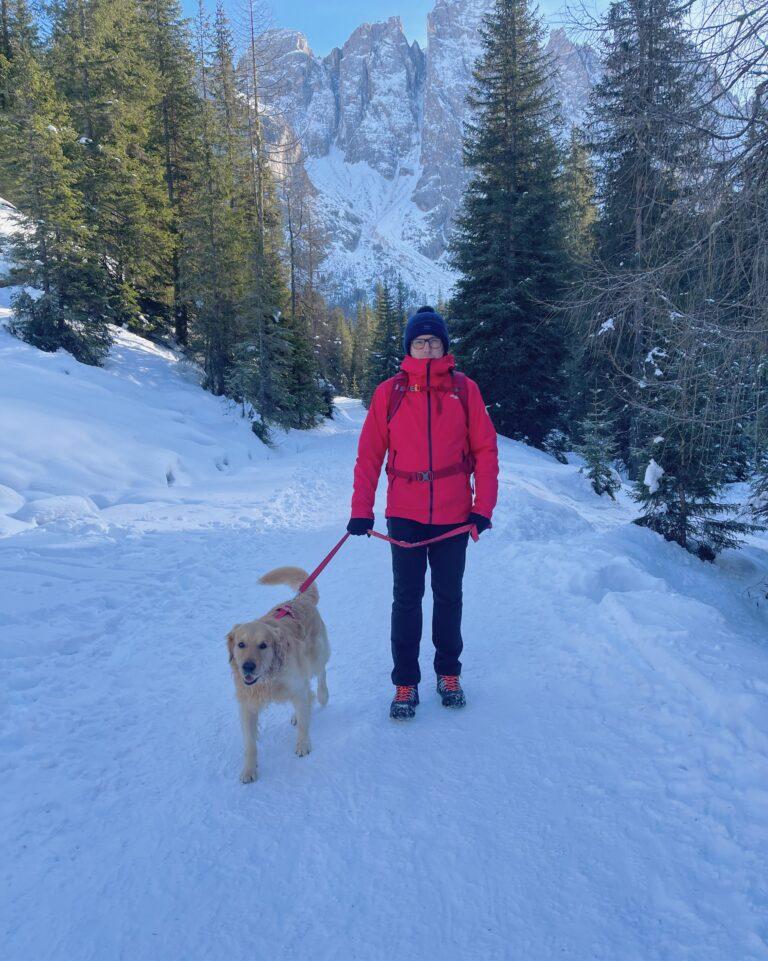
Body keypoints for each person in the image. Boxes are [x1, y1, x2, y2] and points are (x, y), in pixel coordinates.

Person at [347, 305, 499, 719]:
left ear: (444, 346)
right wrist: (362, 509)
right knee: (407, 600)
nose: (428, 347)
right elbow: (369, 455)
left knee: (449, 597)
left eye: (434, 341)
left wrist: (482, 507)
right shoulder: (389, 393)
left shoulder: (465, 390)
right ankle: (405, 683)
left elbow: (486, 451)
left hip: (453, 515)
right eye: (420, 341)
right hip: (405, 515)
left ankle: (448, 673)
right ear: (409, 347)